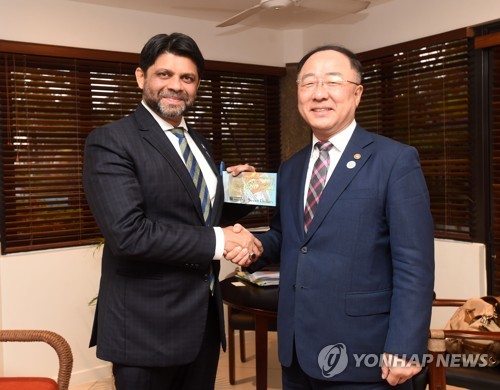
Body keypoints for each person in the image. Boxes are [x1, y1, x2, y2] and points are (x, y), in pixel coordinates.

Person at [246, 45, 435, 389]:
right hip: (297, 351)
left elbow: (415, 264)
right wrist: (253, 244)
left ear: (357, 92)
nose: (319, 94)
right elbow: (288, 237)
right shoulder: (290, 168)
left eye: (333, 82)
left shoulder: (395, 161)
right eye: (308, 84)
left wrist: (406, 346)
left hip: (366, 353)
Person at [83, 32, 262, 390]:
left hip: (202, 324)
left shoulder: (199, 142)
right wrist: (221, 239)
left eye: (187, 78)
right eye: (164, 75)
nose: (176, 86)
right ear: (141, 77)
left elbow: (201, 215)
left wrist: (242, 193)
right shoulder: (111, 141)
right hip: (145, 328)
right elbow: (128, 234)